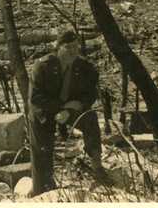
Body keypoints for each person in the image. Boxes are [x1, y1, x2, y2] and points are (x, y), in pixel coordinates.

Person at [28, 30, 110, 195]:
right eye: (68, 47)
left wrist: (75, 106)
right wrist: (59, 109)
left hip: (70, 108)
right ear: (57, 48)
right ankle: (41, 188)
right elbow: (35, 98)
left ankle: (97, 166)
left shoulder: (85, 67)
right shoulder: (42, 66)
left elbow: (91, 94)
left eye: (75, 47)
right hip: (43, 111)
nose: (73, 51)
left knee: (89, 118)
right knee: (42, 149)